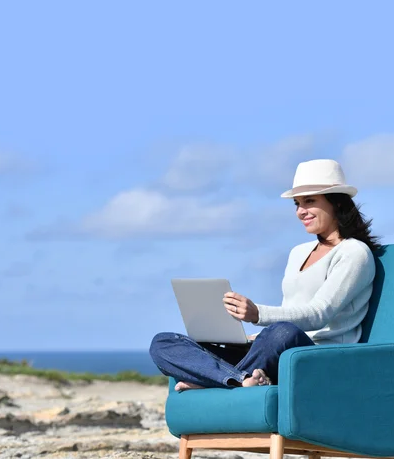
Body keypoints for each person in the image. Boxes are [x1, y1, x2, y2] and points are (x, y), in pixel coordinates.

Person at [149, 159, 381, 391]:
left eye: (310, 201)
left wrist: (257, 314)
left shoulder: (354, 252)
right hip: (277, 349)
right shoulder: (298, 252)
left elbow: (319, 314)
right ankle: (239, 380)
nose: (301, 211)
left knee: (282, 332)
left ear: (337, 203)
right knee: (163, 342)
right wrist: (254, 338)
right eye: (297, 203)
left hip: (316, 355)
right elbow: (291, 307)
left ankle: (213, 380)